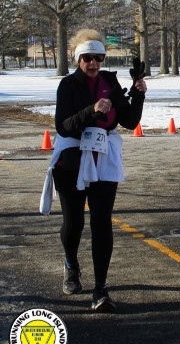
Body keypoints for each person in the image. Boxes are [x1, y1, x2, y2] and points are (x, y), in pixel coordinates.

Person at [44, 29, 146, 312]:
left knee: (102, 221)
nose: (93, 63)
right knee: (74, 222)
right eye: (88, 58)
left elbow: (129, 121)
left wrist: (138, 94)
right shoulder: (68, 85)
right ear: (78, 59)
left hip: (103, 157)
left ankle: (101, 288)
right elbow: (63, 126)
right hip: (72, 159)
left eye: (99, 58)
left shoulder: (110, 83)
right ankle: (71, 264)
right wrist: (91, 110)